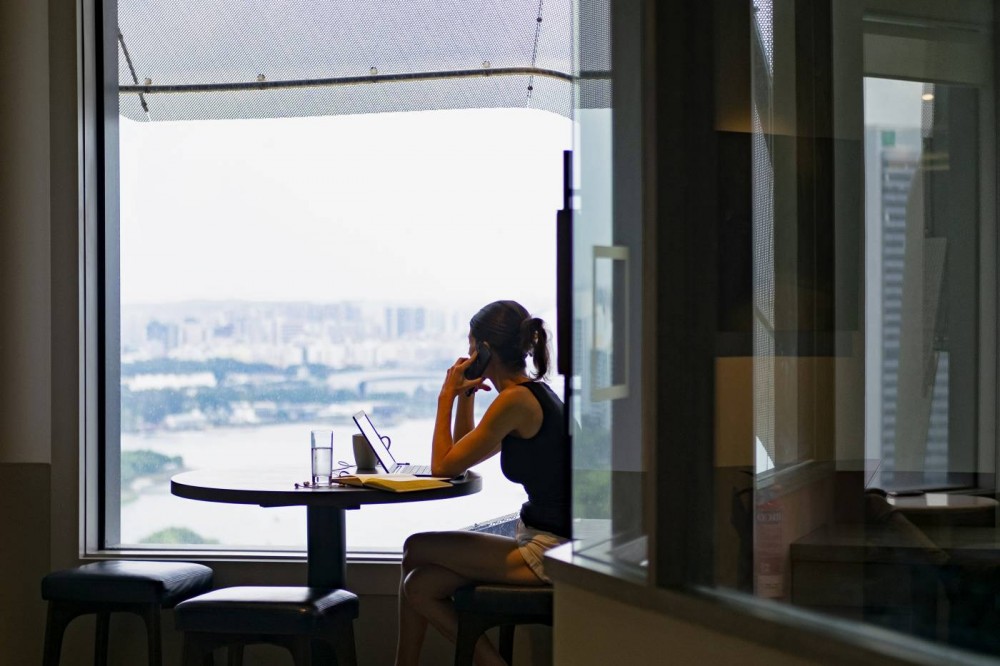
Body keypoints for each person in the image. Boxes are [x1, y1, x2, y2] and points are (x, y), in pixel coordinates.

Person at [395, 300, 569, 666]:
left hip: (549, 550)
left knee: (415, 548)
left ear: (485, 350)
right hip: (547, 537)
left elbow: (443, 466)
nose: (468, 355)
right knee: (419, 586)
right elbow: (463, 453)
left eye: (472, 346)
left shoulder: (516, 401)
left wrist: (446, 396)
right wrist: (467, 395)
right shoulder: (529, 393)